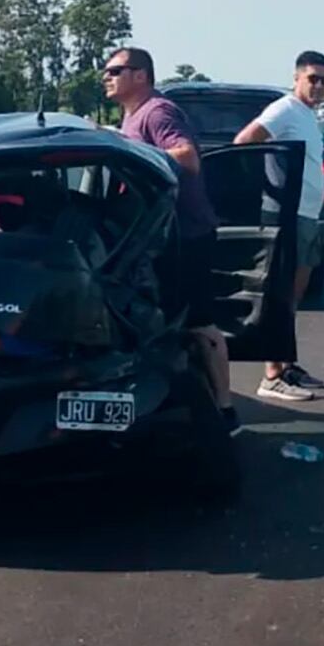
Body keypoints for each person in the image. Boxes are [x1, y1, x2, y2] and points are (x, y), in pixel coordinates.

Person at [105, 46, 240, 433]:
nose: (107, 76)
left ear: (141, 75)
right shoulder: (131, 116)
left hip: (186, 236)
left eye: (116, 69)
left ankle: (225, 410)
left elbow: (186, 157)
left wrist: (130, 152)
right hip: (153, 239)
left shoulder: (158, 112)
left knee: (199, 323)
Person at [233, 50, 324, 402]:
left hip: (306, 216)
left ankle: (286, 363)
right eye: (312, 79)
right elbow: (245, 141)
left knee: (294, 295)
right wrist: (267, 188)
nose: (318, 86)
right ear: (296, 78)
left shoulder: (307, 116)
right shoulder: (285, 108)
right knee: (278, 295)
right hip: (285, 214)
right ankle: (271, 375)